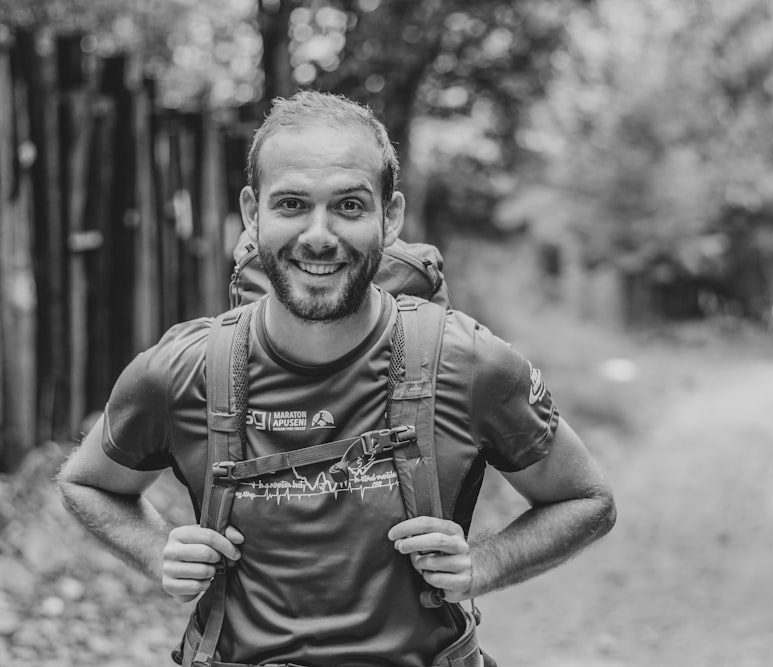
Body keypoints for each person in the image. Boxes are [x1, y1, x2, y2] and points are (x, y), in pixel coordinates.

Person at [57, 90, 616, 667]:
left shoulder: (471, 363)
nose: (319, 235)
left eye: (348, 206)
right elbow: (86, 483)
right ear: (253, 213)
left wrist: (486, 563)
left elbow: (586, 500)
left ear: (389, 216)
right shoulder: (181, 370)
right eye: (292, 203)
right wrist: (155, 552)